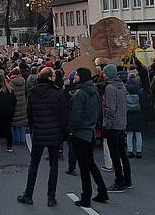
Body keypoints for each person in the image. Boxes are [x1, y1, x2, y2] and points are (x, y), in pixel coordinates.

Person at [17, 67, 67, 207]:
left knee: (34, 164)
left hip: (39, 133)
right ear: (50, 77)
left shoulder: (32, 93)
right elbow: (63, 115)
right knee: (54, 165)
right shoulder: (57, 93)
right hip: (54, 133)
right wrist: (63, 133)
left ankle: (28, 194)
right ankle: (51, 197)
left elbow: (30, 114)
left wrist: (33, 129)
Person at [69, 67, 108, 208]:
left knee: (84, 167)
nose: (75, 76)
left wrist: (71, 131)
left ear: (81, 77)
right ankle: (102, 190)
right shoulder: (94, 91)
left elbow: (75, 116)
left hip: (81, 133)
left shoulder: (80, 94)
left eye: (77, 75)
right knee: (90, 163)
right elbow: (98, 111)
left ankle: (86, 197)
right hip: (90, 130)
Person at [102, 64, 131, 192]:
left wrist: (106, 124)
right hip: (122, 122)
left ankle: (119, 181)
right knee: (123, 153)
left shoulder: (110, 88)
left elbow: (110, 108)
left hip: (113, 124)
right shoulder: (122, 87)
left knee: (114, 154)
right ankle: (128, 179)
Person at [0, 74, 17, 153]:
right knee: (8, 128)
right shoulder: (10, 89)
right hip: (8, 112)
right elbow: (14, 101)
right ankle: (9, 146)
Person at [126, 70, 147, 159]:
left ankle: (130, 151)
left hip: (128, 113)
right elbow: (144, 103)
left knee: (129, 133)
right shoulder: (140, 90)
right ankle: (139, 151)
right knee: (138, 134)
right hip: (138, 113)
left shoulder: (125, 90)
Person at [10, 68, 28, 145]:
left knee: (16, 123)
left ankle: (17, 140)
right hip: (23, 102)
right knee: (22, 122)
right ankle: (23, 139)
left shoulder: (11, 83)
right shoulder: (23, 81)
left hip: (15, 103)